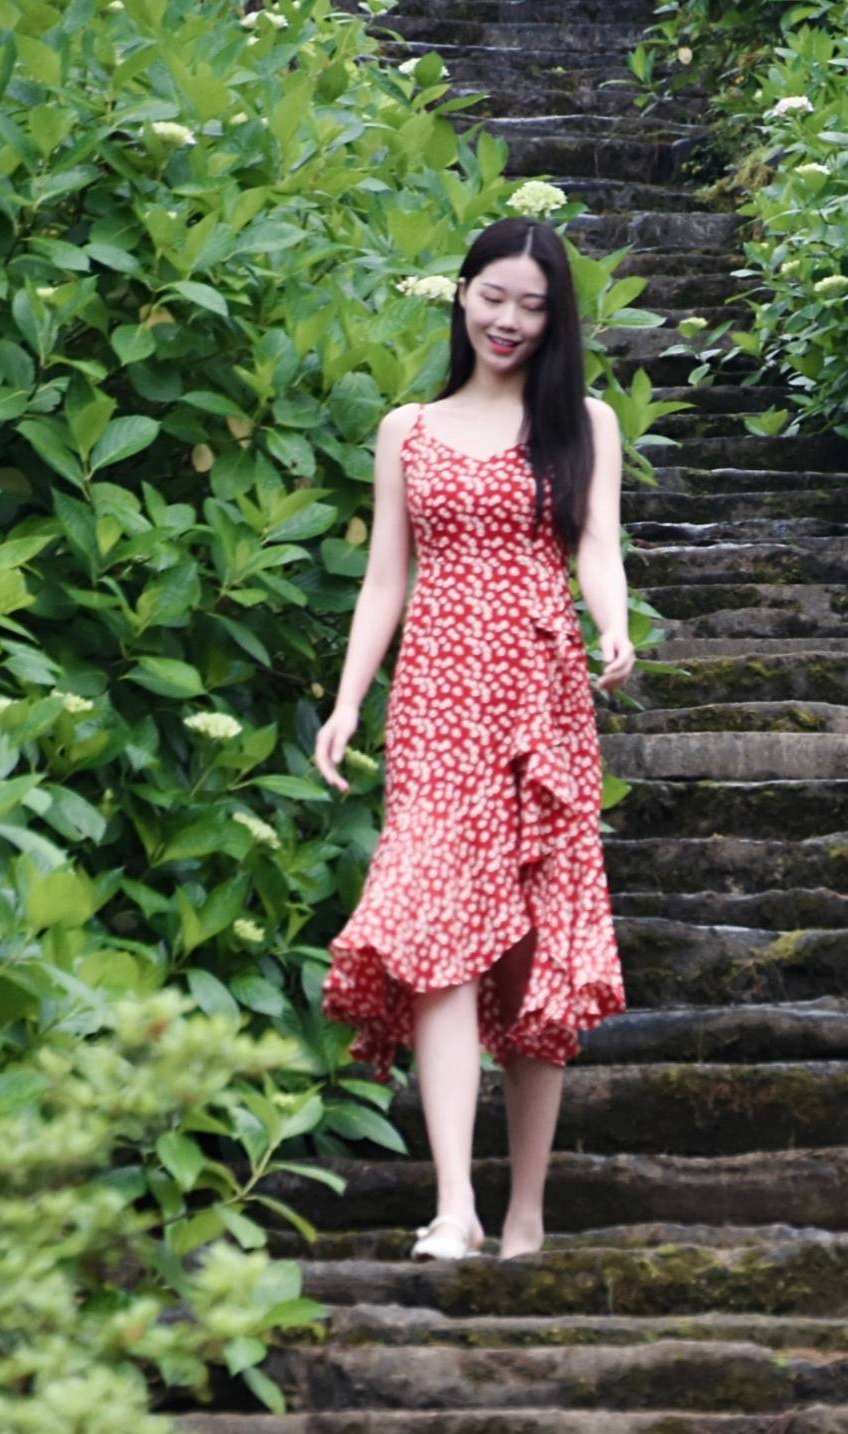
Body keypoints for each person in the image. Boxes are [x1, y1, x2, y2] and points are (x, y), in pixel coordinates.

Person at [314, 215, 632, 1262]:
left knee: (541, 951)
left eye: (532, 305)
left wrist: (614, 622)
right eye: (492, 296)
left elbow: (595, 545)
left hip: (540, 703)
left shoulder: (582, 422)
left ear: (556, 319)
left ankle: (527, 1212)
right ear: (461, 296)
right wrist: (348, 701)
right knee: (436, 936)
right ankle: (453, 1201)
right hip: (437, 704)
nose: (508, 319)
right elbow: (383, 580)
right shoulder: (407, 428)